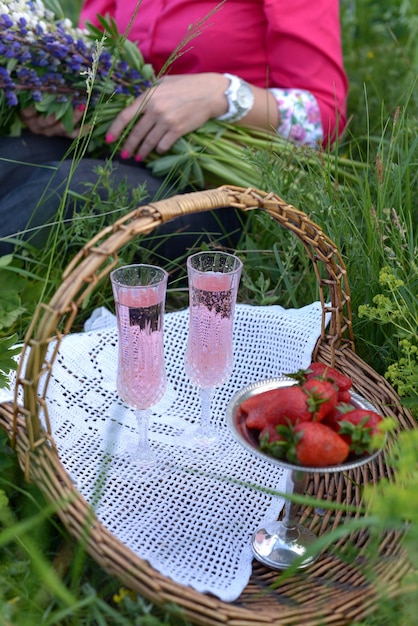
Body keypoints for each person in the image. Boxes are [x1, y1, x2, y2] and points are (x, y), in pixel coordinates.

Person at [0, 0, 348, 258]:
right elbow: (91, 60)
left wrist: (223, 94)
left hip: (229, 191)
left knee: (73, 189)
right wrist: (67, 104)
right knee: (13, 154)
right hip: (130, 154)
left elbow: (324, 114)